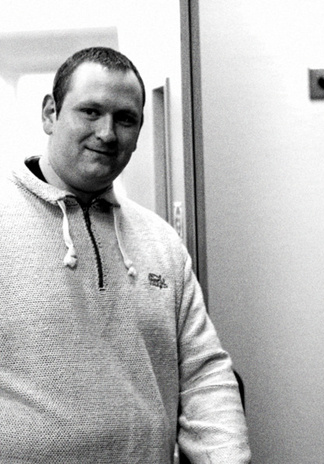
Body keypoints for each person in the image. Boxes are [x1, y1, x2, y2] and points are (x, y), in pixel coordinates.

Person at [0, 47, 250, 463]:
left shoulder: (161, 242)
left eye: (125, 119)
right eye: (91, 112)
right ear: (50, 113)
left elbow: (204, 375)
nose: (107, 133)